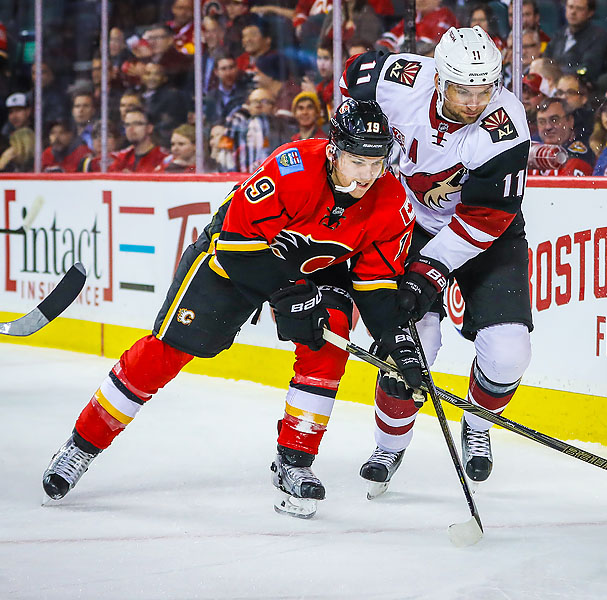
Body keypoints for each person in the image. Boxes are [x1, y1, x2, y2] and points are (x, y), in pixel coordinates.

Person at [41, 98, 422, 520]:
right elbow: (237, 247)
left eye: (377, 162)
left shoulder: (392, 200)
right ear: (333, 150)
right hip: (232, 257)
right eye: (357, 161)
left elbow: (377, 287)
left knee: (329, 345)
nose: (368, 175)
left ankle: (294, 464)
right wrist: (289, 290)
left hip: (316, 269)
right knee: (165, 352)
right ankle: (80, 446)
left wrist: (400, 342)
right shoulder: (291, 168)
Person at [341, 26, 532, 488]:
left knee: (508, 353)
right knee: (410, 345)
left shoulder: (504, 128)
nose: (474, 101)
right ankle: (388, 449)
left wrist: (429, 272)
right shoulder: (401, 78)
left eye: (484, 88)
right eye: (463, 89)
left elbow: (485, 219)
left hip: (487, 234)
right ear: (440, 79)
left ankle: (479, 427)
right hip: (407, 224)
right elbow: (355, 74)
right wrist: (363, 131)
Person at [544, 0, 607, 87]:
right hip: (553, 84)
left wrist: (556, 73)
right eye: (570, 7)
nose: (573, 12)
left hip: (579, 87)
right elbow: (545, 60)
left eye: (579, 8)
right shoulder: (559, 35)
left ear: (590, 13)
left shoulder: (598, 37)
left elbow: (587, 69)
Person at [532, 97, 595, 175]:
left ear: (570, 121)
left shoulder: (577, 157)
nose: (548, 127)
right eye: (542, 122)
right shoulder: (532, 155)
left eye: (554, 120)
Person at [108, 108, 170, 173]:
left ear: (149, 128)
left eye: (137, 124)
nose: (131, 128)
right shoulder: (122, 157)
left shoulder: (163, 157)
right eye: (127, 125)